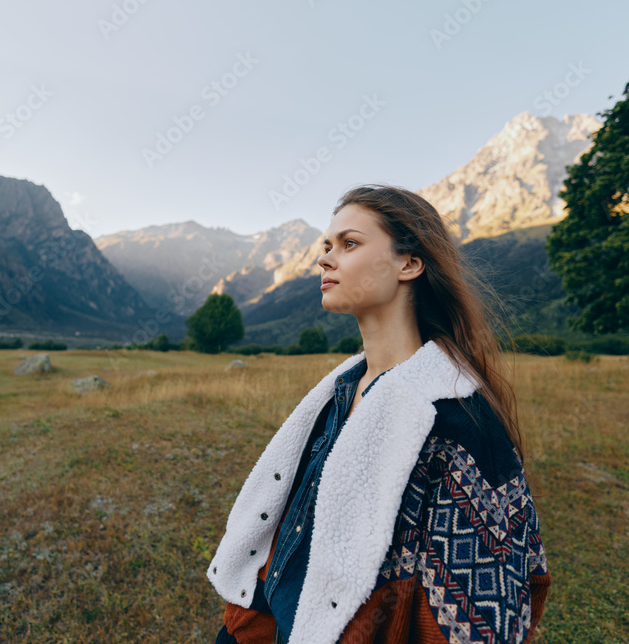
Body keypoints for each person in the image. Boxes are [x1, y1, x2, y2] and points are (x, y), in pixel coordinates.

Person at [207, 184, 551, 644]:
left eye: (348, 244)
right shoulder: (338, 393)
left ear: (408, 263)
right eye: (326, 246)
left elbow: (481, 620)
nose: (325, 259)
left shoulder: (456, 420)